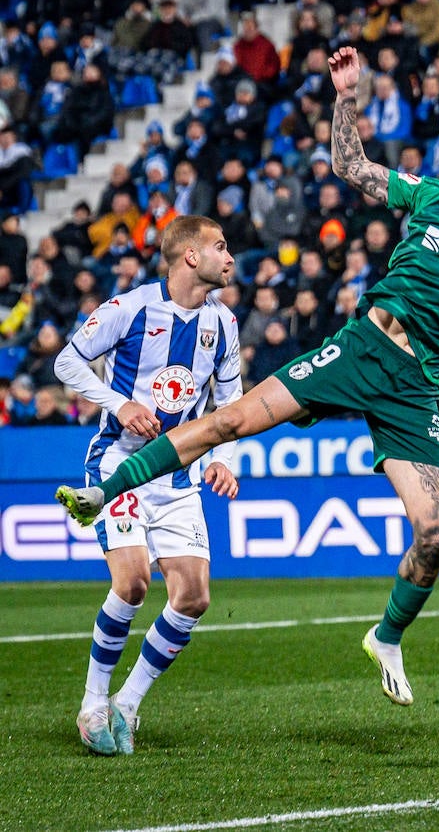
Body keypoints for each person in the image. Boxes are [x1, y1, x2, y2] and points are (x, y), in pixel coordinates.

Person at [57, 47, 439, 709]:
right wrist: (346, 95)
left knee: (435, 533)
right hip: (359, 349)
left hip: (415, 389)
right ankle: (104, 493)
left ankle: (387, 636)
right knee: (226, 421)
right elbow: (352, 169)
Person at [53, 215, 242, 755]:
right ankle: (93, 703)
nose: (230, 258)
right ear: (190, 257)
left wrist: (224, 458)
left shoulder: (223, 323)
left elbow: (230, 403)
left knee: (194, 596)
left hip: (178, 475)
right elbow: (68, 361)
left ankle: (128, 705)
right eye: (220, 247)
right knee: (133, 584)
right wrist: (120, 403)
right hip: (119, 464)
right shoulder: (132, 307)